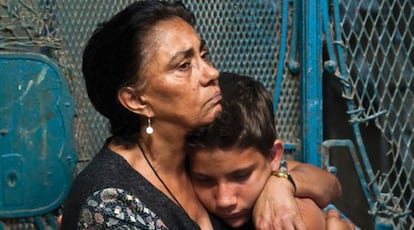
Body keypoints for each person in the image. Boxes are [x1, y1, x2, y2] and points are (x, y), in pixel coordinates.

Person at [61, 1, 341, 229]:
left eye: (203, 56)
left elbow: (322, 181)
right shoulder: (111, 205)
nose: (211, 73)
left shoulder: (192, 152)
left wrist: (281, 184)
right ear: (136, 100)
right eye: (184, 65)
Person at [186, 72, 355, 229]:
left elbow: (332, 185)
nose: (225, 200)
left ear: (273, 155)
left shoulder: (287, 214)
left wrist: (283, 182)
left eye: (241, 176)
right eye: (205, 180)